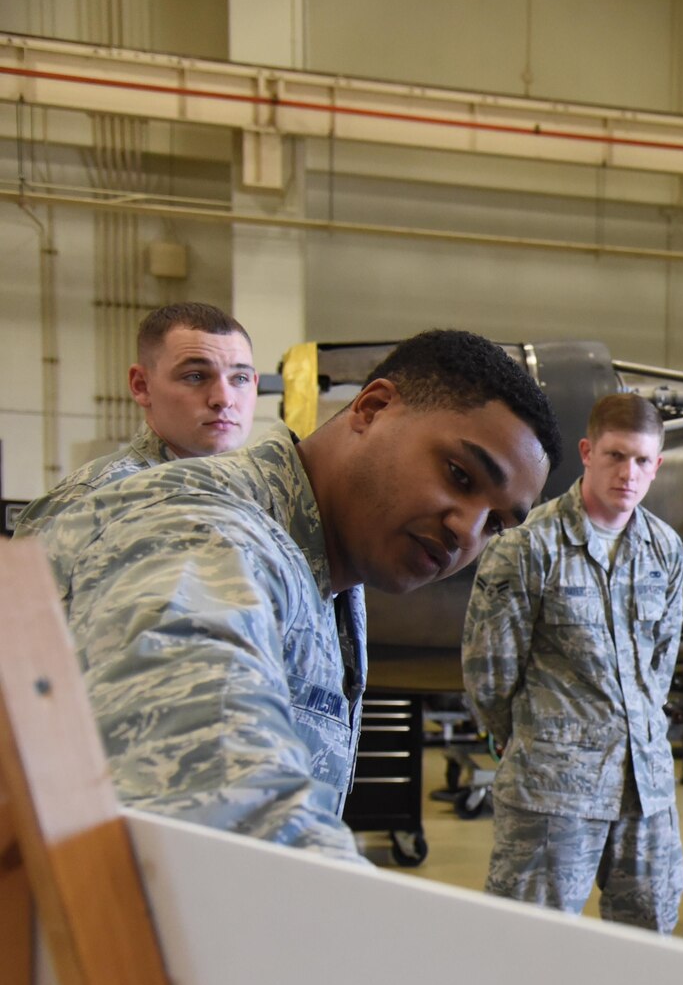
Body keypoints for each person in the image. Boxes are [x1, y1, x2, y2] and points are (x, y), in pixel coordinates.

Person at [37, 328, 560, 860]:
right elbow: (217, 798)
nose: (467, 532)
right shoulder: (209, 532)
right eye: (459, 475)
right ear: (373, 408)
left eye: (496, 524)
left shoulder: (326, 570)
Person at [463, 392, 683, 932]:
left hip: (646, 790)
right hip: (552, 789)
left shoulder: (664, 550)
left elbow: (661, 665)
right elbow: (488, 672)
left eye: (641, 460)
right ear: (588, 452)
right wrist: (532, 741)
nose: (627, 473)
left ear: (657, 466)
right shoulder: (527, 546)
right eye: (615, 455)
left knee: (648, 941)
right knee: (533, 944)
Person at [15, 301, 261, 538]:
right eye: (196, 376)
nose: (223, 399)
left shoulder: (260, 500)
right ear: (141, 386)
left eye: (239, 378)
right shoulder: (91, 502)